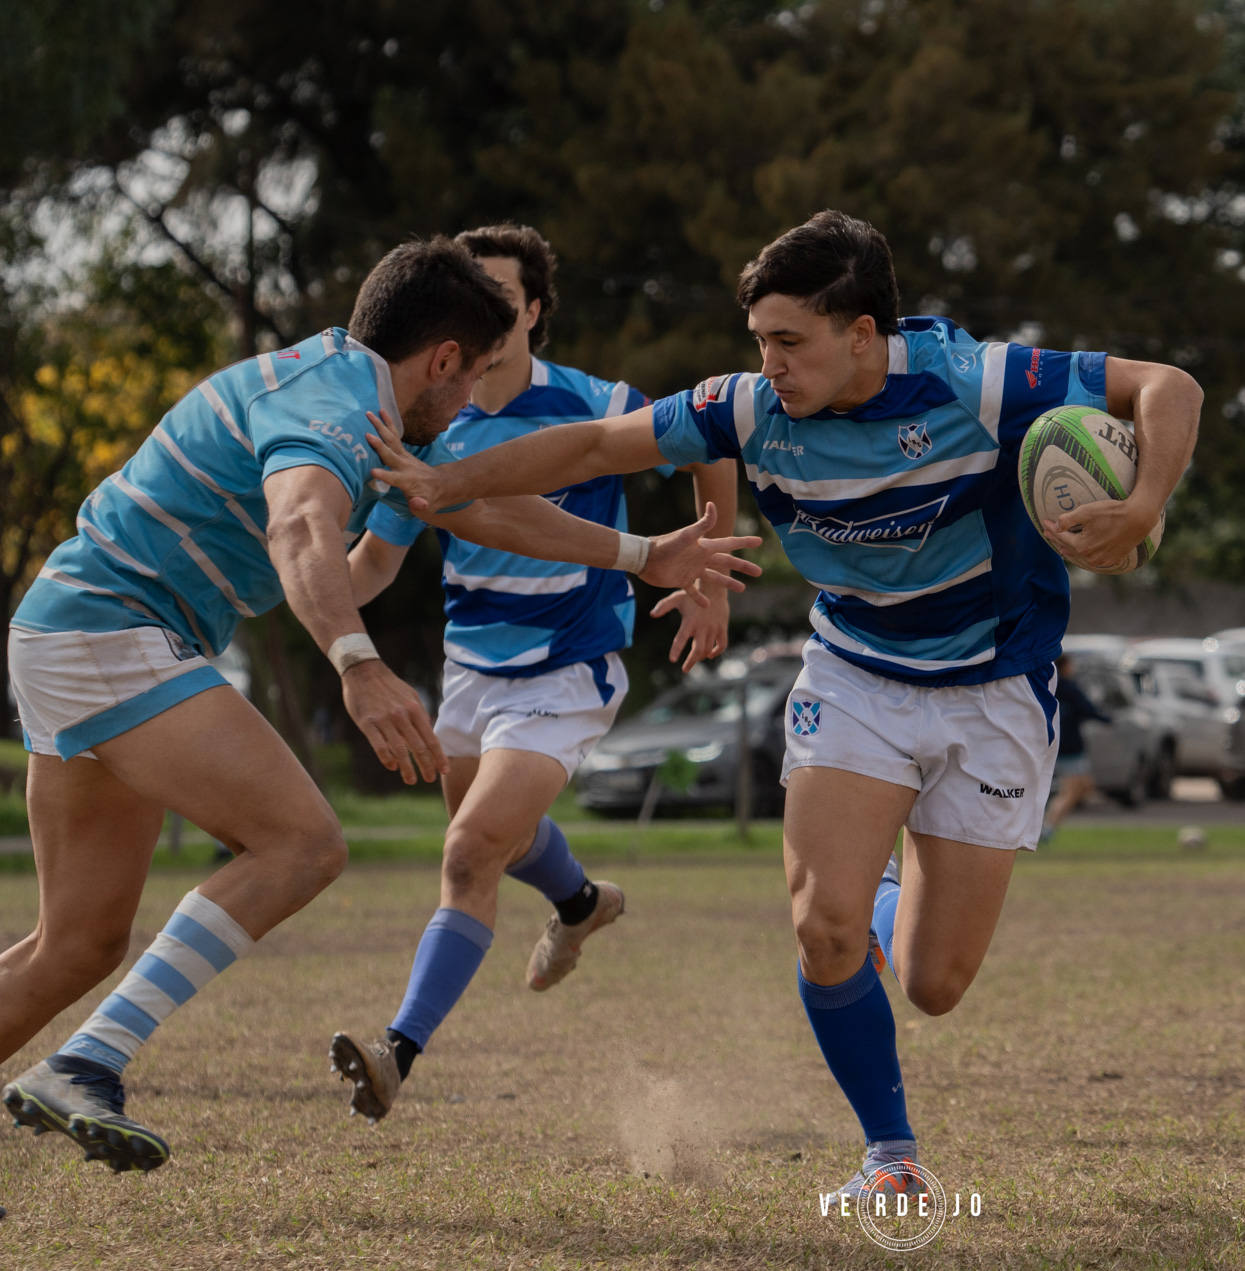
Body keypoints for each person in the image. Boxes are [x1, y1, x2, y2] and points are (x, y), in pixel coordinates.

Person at [361, 210, 1203, 1201]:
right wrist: (443, 480)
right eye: (760, 339)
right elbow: (590, 446)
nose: (771, 364)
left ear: (862, 333)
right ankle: (891, 1155)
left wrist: (1143, 502)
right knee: (822, 926)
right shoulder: (749, 406)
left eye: (790, 341)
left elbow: (1167, 386)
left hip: (994, 684)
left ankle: (889, 891)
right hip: (855, 674)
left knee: (934, 982)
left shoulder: (974, 381)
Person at [0, 237, 760, 1173]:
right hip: (114, 630)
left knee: (76, 945)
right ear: (442, 359)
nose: (478, 396)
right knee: (304, 843)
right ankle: (87, 1059)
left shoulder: (355, 396)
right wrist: (357, 664)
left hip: (70, 631)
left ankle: (82, 1049)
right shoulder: (333, 409)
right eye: (475, 373)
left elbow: (474, 507)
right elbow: (302, 522)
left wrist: (645, 556)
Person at [325, 225, 743, 1121]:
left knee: (471, 849)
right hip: (471, 671)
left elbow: (710, 439)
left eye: (505, 301)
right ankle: (583, 901)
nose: (487, 315)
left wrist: (708, 569)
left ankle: (396, 1050)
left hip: (569, 669)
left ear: (536, 312)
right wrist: (292, 582)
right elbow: (370, 565)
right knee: (498, 841)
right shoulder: (437, 422)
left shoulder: (598, 402)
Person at [1039, 654, 1110, 843]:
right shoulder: (1069, 687)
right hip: (1071, 748)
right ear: (1066, 666)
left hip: (1055, 744)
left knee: (1086, 786)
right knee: (1073, 791)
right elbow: (1088, 709)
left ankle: (1048, 815)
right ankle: (1046, 828)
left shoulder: (1047, 685)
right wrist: (1106, 718)